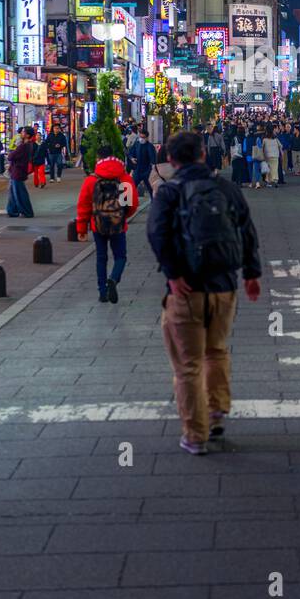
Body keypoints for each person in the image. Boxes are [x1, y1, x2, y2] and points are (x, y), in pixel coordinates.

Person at [146, 130, 262, 455]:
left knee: (188, 364)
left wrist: (172, 274)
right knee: (217, 350)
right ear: (202, 154)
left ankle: (195, 436)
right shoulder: (225, 188)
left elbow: (156, 232)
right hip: (225, 286)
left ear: (171, 160)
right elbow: (247, 229)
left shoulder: (170, 192)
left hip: (187, 289)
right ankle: (216, 411)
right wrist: (251, 273)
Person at [77, 144, 138, 303]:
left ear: (98, 159)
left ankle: (102, 291)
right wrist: (123, 216)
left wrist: (82, 228)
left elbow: (83, 205)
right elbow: (132, 203)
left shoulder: (92, 180)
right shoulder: (124, 178)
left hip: (98, 224)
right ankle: (114, 278)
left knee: (101, 257)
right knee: (120, 256)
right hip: (118, 224)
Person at [6, 127, 35, 218]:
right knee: (14, 192)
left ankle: (26, 211)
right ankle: (12, 210)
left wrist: (14, 150)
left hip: (18, 171)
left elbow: (11, 156)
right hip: (18, 170)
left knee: (19, 192)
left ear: (27, 135)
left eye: (23, 132)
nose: (21, 134)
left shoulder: (23, 146)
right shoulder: (28, 145)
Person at [132, 127, 158, 201]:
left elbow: (153, 160)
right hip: (137, 170)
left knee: (151, 189)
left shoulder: (150, 146)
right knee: (132, 187)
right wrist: (132, 158)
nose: (141, 139)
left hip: (147, 171)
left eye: (143, 137)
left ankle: (154, 203)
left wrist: (153, 170)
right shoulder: (136, 144)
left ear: (147, 138)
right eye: (140, 137)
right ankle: (126, 206)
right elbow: (131, 153)